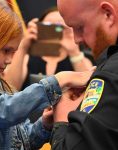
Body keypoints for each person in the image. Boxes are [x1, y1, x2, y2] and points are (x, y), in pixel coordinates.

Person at [0, 0, 94, 150]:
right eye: (6, 50)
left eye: (13, 52)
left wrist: (44, 124)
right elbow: (5, 110)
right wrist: (60, 80)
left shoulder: (1, 86)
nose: (9, 60)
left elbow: (23, 141)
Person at [50, 0, 118, 149]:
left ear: (108, 14)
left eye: (80, 27)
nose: (76, 39)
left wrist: (62, 119)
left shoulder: (110, 75)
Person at [4, 7, 94, 91]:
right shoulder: (26, 60)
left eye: (59, 26)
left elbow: (91, 89)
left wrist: (74, 52)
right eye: (48, 26)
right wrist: (23, 46)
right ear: (38, 29)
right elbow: (9, 90)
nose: (54, 31)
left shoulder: (80, 59)